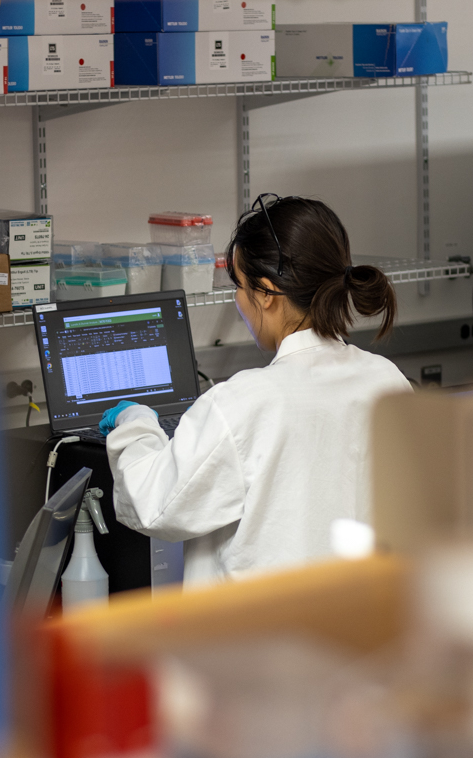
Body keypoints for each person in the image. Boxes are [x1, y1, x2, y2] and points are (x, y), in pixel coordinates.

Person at [99, 195, 411, 587]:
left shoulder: (244, 403)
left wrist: (135, 424)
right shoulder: (388, 382)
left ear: (266, 293)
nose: (238, 301)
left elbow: (156, 505)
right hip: (359, 633)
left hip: (260, 639)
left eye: (239, 286)